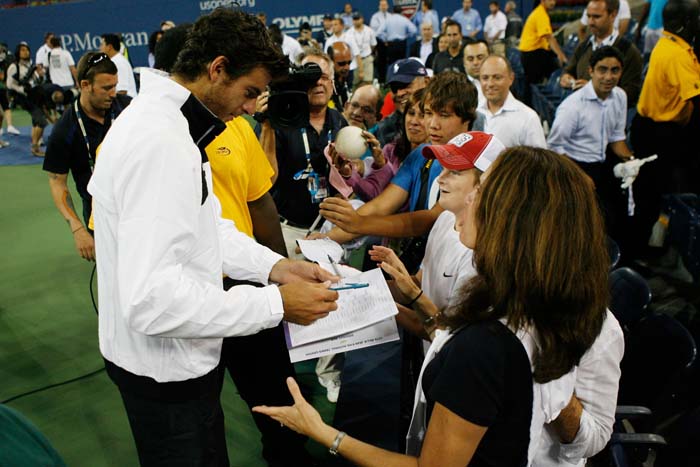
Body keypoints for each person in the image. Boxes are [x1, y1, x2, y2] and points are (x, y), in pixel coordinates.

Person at [86, 10, 340, 466]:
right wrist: (277, 303)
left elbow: (204, 226)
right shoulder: (160, 142)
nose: (249, 107)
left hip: (176, 362)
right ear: (217, 68)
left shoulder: (170, 124)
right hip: (164, 373)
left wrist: (274, 267)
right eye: (249, 92)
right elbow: (152, 300)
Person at [254, 145, 609, 467]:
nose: (466, 198)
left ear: (512, 223)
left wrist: (323, 433)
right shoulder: (514, 309)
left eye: (482, 193)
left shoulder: (488, 344)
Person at [367, 131, 505, 337]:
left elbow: (450, 335)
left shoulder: (485, 253)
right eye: (443, 168)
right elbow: (421, 283)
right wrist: (367, 286)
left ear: (486, 182)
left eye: (456, 172)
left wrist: (375, 300)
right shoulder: (445, 219)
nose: (440, 179)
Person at [258, 47, 348, 258]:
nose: (318, 83)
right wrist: (267, 127)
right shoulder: (279, 121)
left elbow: (348, 179)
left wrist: (346, 170)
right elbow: (266, 180)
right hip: (289, 231)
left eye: (324, 77)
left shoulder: (339, 121)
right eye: (312, 77)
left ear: (332, 83)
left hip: (330, 231)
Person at [43, 52, 130, 261]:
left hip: (137, 208)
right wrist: (77, 229)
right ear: (84, 84)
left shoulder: (128, 108)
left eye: (115, 86)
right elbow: (57, 183)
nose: (113, 93)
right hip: (98, 217)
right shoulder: (65, 129)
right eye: (106, 88)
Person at [630, 0, 700, 258]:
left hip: (652, 129)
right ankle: (641, 251)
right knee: (652, 194)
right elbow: (696, 98)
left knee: (653, 192)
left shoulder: (669, 43)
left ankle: (649, 245)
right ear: (685, 23)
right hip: (660, 135)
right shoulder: (678, 55)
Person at [549, 46, 633, 242]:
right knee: (587, 226)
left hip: (604, 162)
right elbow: (554, 149)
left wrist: (631, 161)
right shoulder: (572, 106)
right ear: (591, 71)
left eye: (615, 70)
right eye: (602, 70)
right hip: (574, 165)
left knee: (617, 218)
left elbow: (616, 138)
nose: (608, 77)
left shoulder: (620, 96)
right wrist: (580, 176)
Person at [560, 0, 642, 108]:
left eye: (596, 17)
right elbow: (568, 71)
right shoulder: (584, 46)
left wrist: (593, 90)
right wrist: (566, 78)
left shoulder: (629, 51)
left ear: (613, 15)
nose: (590, 22)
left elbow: (630, 94)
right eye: (588, 16)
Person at [478, 55, 546, 147]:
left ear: (511, 78)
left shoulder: (528, 118)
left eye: (497, 78)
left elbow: (539, 160)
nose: (490, 84)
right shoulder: (473, 112)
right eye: (485, 78)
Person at [6, 41, 47, 156]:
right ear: (18, 53)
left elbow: (37, 82)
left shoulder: (30, 66)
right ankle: (35, 148)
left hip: (33, 95)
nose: (26, 52)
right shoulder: (14, 67)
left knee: (36, 121)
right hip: (21, 97)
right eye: (22, 50)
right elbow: (10, 84)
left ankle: (35, 145)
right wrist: (22, 90)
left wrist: (41, 75)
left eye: (27, 50)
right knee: (41, 121)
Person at [375, 58, 429, 145]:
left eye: (406, 85)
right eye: (394, 88)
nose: (399, 93)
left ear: (426, 82)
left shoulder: (446, 120)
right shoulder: (385, 129)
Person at [519, 0, 567, 86]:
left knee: (531, 84)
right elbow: (549, 38)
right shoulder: (541, 14)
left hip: (532, 53)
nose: (553, 2)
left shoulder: (540, 12)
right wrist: (561, 56)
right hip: (532, 54)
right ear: (542, 1)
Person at [376, 6, 418, 71]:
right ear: (401, 12)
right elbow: (414, 30)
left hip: (391, 44)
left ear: (393, 11)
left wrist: (385, 39)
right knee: (401, 64)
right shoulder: (404, 19)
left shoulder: (388, 20)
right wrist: (407, 36)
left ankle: (392, 79)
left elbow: (378, 33)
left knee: (391, 64)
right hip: (401, 44)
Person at [325, 18, 364, 85]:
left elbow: (357, 54)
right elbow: (326, 58)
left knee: (350, 90)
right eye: (332, 25)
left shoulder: (349, 38)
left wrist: (361, 71)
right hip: (336, 71)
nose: (333, 27)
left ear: (342, 26)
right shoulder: (329, 40)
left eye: (335, 24)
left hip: (350, 69)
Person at [99, 33, 137, 97]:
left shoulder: (119, 62)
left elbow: (122, 91)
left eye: (102, 45)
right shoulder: (115, 61)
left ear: (109, 47)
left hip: (126, 104)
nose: (100, 48)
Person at [41, 36, 78, 101]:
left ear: (51, 44)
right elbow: (73, 69)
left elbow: (44, 69)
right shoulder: (66, 53)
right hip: (68, 83)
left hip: (55, 85)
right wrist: (77, 81)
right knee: (69, 104)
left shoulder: (48, 55)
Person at [349, 12, 377, 86]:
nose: (356, 21)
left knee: (368, 82)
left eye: (357, 19)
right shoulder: (349, 32)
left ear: (362, 19)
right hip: (355, 61)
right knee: (357, 84)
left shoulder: (369, 30)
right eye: (354, 19)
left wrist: (367, 52)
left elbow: (373, 44)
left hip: (367, 58)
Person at [371, 0, 393, 82]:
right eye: (382, 5)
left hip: (390, 42)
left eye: (385, 5)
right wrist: (384, 40)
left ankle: (391, 79)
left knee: (391, 62)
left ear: (387, 6)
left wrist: (388, 39)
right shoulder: (375, 17)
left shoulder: (391, 16)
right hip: (380, 42)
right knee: (381, 63)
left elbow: (392, 29)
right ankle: (382, 81)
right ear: (379, 6)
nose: (383, 7)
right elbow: (374, 32)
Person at [462, 39, 489, 105]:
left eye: (480, 58)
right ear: (464, 62)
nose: (475, 63)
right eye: (470, 59)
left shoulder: (503, 82)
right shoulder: (457, 87)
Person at [328, 42, 353, 110]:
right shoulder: (325, 81)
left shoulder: (342, 74)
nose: (347, 67)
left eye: (349, 62)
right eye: (342, 64)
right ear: (330, 61)